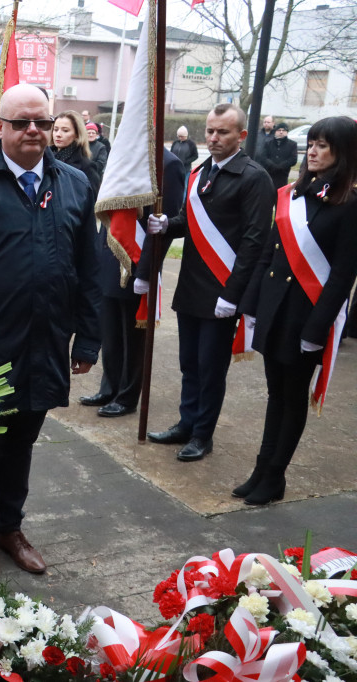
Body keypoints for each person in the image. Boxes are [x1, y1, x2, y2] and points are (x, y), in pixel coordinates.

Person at [0, 84, 101, 581]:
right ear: (0, 128)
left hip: (47, 339)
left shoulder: (74, 182)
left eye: (41, 121)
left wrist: (89, 339)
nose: (33, 130)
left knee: (23, 440)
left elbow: (89, 266)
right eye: (21, 122)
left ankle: (10, 527)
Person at [233, 117, 357, 505]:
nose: (314, 152)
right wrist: (250, 305)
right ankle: (261, 468)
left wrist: (316, 329)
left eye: (324, 145)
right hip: (275, 309)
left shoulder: (350, 205)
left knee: (292, 396)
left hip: (305, 316)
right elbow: (270, 251)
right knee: (274, 394)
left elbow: (341, 276)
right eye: (313, 144)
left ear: (344, 153)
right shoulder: (293, 195)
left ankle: (275, 474)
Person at [144, 103, 275, 462]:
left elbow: (254, 241)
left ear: (241, 136)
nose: (213, 138)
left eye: (223, 132)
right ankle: (186, 423)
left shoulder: (254, 177)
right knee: (189, 363)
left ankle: (203, 434)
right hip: (192, 285)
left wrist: (234, 295)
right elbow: (190, 221)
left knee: (210, 367)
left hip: (222, 289)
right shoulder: (200, 172)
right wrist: (167, 225)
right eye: (210, 131)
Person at [80, 148, 187, 417]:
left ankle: (127, 396)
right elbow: (108, 210)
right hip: (110, 254)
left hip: (138, 259)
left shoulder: (169, 165)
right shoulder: (124, 151)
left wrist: (147, 271)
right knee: (111, 331)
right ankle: (109, 387)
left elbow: (166, 223)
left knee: (132, 336)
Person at [50, 110, 101, 195]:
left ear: (77, 134)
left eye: (65, 130)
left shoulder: (87, 167)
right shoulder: (44, 159)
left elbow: (91, 201)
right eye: (55, 129)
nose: (58, 134)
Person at [256, 122, 298, 188]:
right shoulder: (268, 143)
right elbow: (263, 157)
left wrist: (281, 166)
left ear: (287, 132)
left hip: (283, 175)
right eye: (279, 130)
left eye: (283, 130)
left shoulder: (292, 144)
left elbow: (293, 159)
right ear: (275, 131)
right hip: (269, 173)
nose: (281, 132)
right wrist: (272, 165)